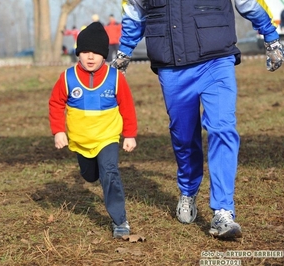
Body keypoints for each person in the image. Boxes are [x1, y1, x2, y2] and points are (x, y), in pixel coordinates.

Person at [112, 0, 284, 239]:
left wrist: (271, 36)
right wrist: (124, 53)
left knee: (223, 128)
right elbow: (134, 11)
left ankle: (223, 211)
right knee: (183, 136)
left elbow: (249, 2)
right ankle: (188, 189)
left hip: (216, 60)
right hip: (172, 66)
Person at [49, 22, 137, 239]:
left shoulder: (115, 78)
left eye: (96, 53)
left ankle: (120, 220)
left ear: (104, 55)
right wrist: (59, 131)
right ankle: (92, 169)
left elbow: (127, 106)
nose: (90, 57)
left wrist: (130, 134)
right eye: (85, 52)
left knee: (110, 173)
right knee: (90, 176)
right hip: (80, 141)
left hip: (107, 137)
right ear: (78, 53)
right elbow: (56, 104)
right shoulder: (67, 77)